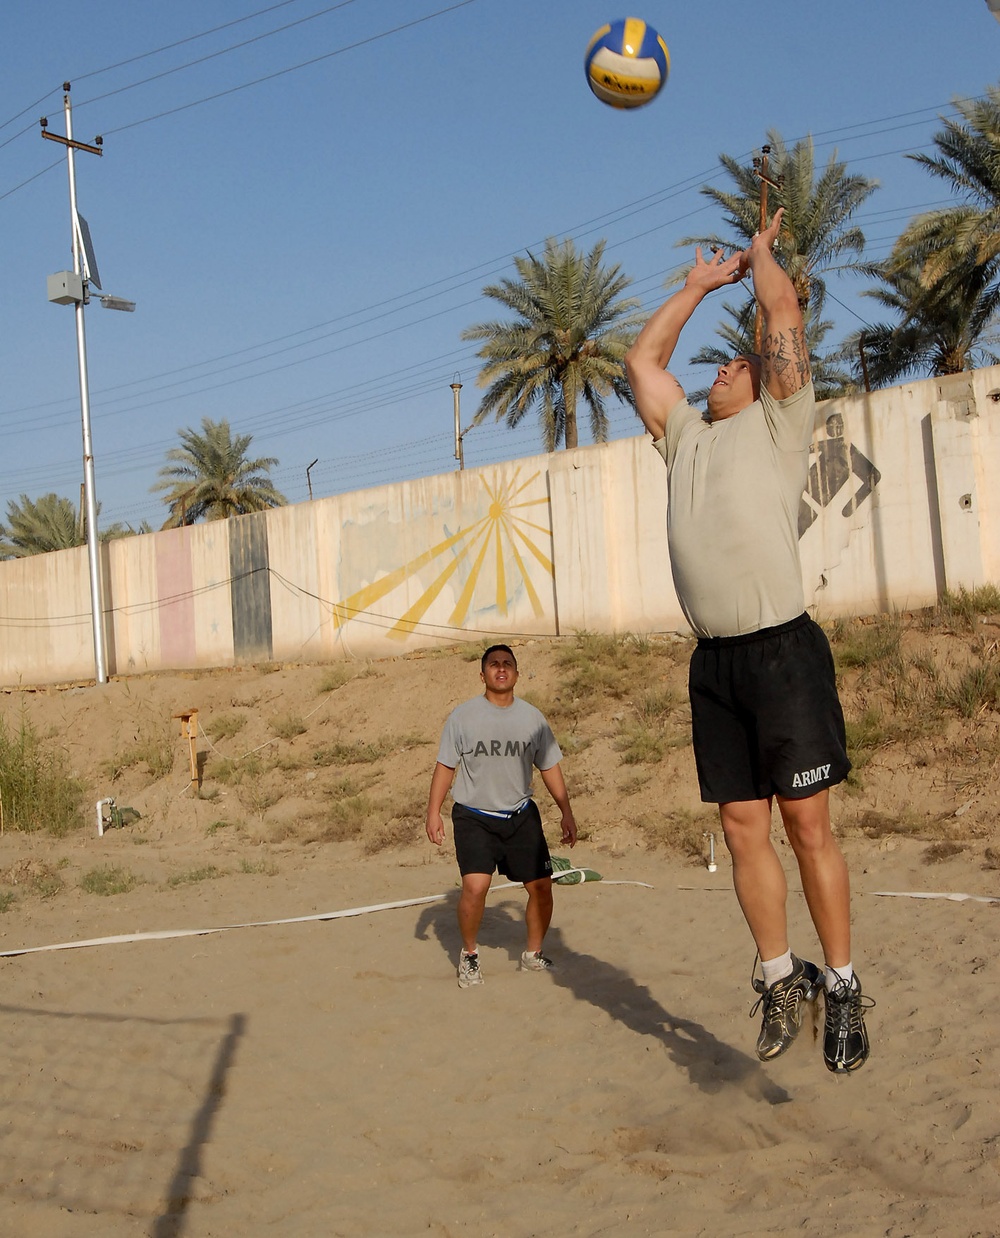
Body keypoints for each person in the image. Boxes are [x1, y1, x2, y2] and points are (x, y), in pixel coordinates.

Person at [624, 207, 872, 1073]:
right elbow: (642, 361)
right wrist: (695, 286)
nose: (725, 367)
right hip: (715, 663)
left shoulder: (780, 422)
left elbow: (782, 318)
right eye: (719, 366)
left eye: (736, 362)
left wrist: (762, 258)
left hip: (783, 651)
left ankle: (842, 985)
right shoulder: (682, 437)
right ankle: (780, 978)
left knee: (807, 824)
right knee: (740, 827)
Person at [425, 643, 578, 988]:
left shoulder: (532, 718)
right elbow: (445, 765)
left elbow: (549, 766)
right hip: (474, 816)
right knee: (476, 887)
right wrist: (433, 812)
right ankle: (469, 955)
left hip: (521, 814)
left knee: (541, 886)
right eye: (493, 664)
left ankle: (533, 955)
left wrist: (566, 811)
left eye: (507, 663)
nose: (501, 668)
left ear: (517, 674)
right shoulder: (462, 717)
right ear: (483, 674)